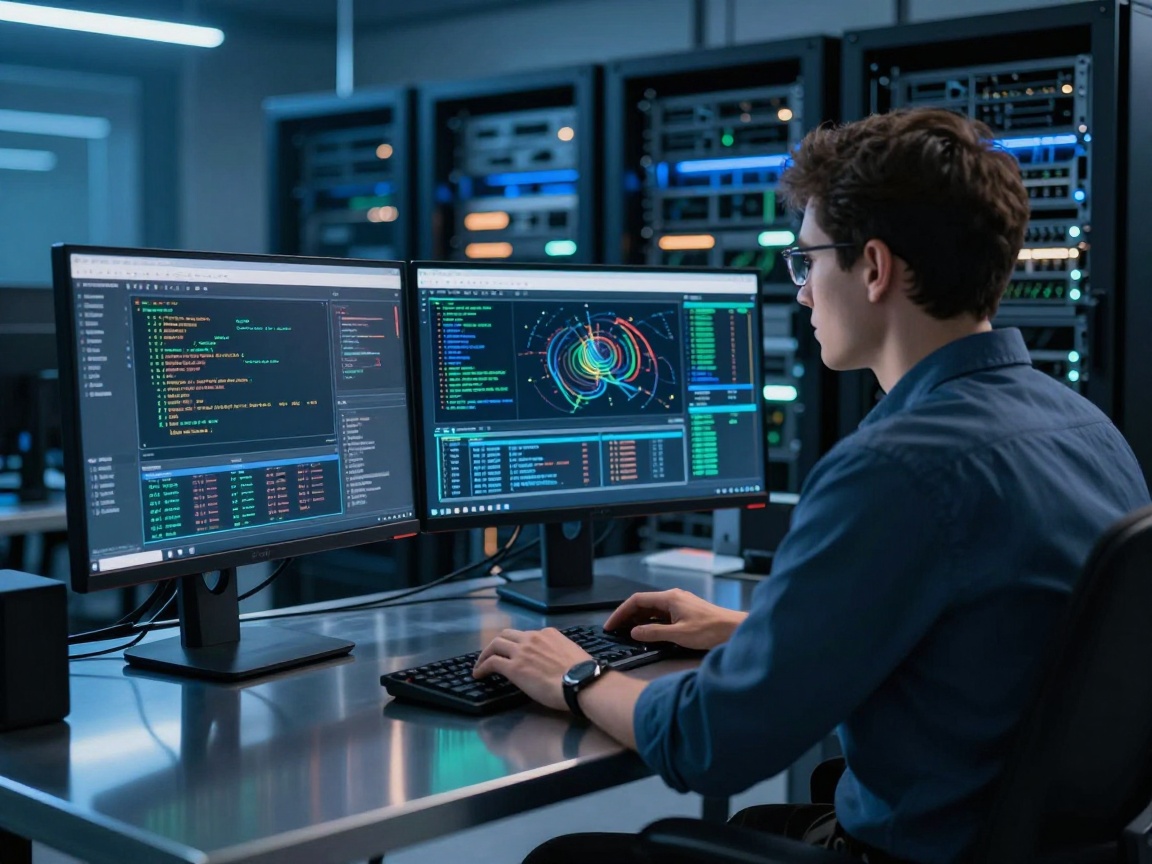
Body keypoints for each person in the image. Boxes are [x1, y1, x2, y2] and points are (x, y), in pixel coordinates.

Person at [472, 107, 1152, 864]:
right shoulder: (1089, 431)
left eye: (808, 261)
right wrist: (750, 636)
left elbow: (711, 745)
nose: (799, 292)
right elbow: (991, 652)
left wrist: (572, 672)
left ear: (873, 267)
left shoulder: (896, 467)